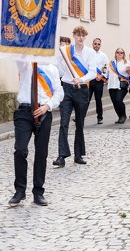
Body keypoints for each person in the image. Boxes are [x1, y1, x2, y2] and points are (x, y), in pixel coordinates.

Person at [9, 62, 64, 206]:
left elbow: (59, 92)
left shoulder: (52, 68)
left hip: (44, 113)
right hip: (24, 112)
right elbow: (19, 54)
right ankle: (20, 191)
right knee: (20, 150)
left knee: (41, 153)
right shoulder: (26, 64)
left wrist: (47, 106)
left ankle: (38, 191)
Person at [54, 26, 96, 167]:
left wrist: (81, 79)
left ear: (85, 37)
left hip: (82, 90)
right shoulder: (65, 50)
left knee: (79, 123)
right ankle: (62, 155)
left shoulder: (90, 52)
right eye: (78, 35)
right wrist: (57, 48)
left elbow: (93, 73)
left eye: (83, 35)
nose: (80, 37)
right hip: (66, 87)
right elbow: (55, 61)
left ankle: (78, 154)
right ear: (73, 36)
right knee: (63, 122)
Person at [107, 48, 130, 124]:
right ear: (115, 53)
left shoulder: (127, 63)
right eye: (118, 52)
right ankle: (119, 116)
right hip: (112, 85)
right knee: (114, 102)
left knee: (118, 100)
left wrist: (129, 71)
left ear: (123, 54)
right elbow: (105, 72)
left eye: (121, 53)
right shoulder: (111, 63)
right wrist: (102, 70)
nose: (119, 54)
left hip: (121, 85)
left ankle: (123, 115)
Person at [89, 38, 108, 124]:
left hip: (98, 80)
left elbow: (105, 67)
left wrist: (101, 76)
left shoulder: (103, 55)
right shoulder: (88, 54)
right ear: (92, 44)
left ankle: (100, 117)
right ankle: (80, 117)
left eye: (98, 44)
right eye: (95, 44)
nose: (97, 45)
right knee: (86, 100)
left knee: (98, 100)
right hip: (89, 80)